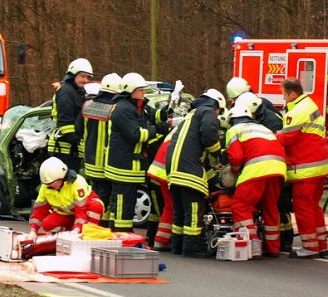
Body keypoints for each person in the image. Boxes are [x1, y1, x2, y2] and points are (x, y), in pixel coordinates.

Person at [277, 77, 328, 257]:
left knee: (303, 207)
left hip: (305, 167)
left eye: (284, 95)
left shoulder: (297, 112)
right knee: (313, 206)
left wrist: (271, 136)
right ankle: (321, 244)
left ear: (293, 94)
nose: (284, 99)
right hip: (320, 165)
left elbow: (286, 139)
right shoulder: (309, 104)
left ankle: (310, 247)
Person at [165, 88, 224, 256]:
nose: (218, 114)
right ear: (217, 105)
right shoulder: (208, 110)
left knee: (180, 211)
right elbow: (208, 133)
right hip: (188, 169)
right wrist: (218, 152)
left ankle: (178, 245)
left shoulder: (190, 115)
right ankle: (191, 247)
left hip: (175, 168)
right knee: (193, 210)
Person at [224, 104, 287, 257]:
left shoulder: (234, 130)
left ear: (232, 119)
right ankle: (273, 248)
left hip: (257, 170)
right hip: (279, 169)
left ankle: (252, 245)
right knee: (270, 207)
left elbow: (237, 157)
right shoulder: (264, 129)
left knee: (240, 205)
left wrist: (233, 172)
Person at [105, 72, 160, 232]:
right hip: (122, 167)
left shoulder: (133, 106)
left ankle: (119, 232)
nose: (143, 92)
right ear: (130, 90)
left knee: (125, 204)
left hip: (128, 166)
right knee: (123, 204)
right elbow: (136, 135)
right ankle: (122, 234)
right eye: (140, 90)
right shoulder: (123, 109)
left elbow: (147, 119)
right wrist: (154, 131)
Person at [27, 156, 104, 238]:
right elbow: (39, 210)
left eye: (53, 182)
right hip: (68, 214)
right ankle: (67, 234)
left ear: (62, 177)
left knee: (95, 206)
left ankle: (89, 233)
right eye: (48, 183)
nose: (51, 185)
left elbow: (81, 211)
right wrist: (33, 230)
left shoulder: (77, 183)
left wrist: (77, 229)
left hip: (85, 210)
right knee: (47, 224)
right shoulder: (46, 187)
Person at [81, 72, 121, 210]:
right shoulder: (114, 109)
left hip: (89, 162)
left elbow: (77, 130)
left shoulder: (87, 105)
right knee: (105, 199)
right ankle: (100, 226)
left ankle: (94, 222)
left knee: (94, 196)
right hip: (105, 163)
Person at [48, 58, 92, 172]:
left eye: (87, 77)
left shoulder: (77, 91)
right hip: (64, 149)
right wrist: (78, 140)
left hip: (70, 148)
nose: (86, 80)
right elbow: (65, 124)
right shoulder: (66, 91)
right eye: (83, 76)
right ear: (73, 75)